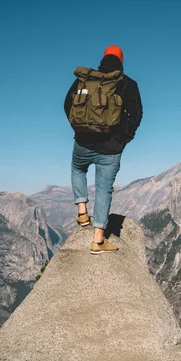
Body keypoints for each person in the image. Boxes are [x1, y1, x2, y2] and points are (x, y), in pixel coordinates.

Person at [64, 45, 143, 254]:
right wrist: (123, 138)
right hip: (110, 148)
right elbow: (136, 115)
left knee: (78, 170)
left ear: (103, 59)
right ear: (121, 61)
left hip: (82, 142)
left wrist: (79, 129)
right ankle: (98, 240)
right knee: (103, 190)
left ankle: (82, 212)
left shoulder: (85, 79)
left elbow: (67, 104)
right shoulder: (126, 84)